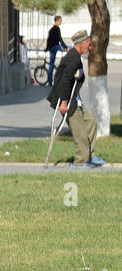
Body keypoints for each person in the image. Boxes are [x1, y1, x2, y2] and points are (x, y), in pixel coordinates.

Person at [47, 29, 107, 169]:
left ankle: (89, 155)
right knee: (80, 131)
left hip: (74, 98)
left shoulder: (76, 56)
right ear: (81, 44)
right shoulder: (72, 58)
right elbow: (65, 80)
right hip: (66, 100)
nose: (90, 47)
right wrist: (63, 102)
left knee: (91, 123)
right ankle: (80, 162)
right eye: (88, 44)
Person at [46, 16, 68, 86]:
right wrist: (66, 47)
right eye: (60, 20)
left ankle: (50, 81)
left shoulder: (51, 29)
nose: (61, 22)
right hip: (56, 46)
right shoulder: (57, 29)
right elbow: (60, 39)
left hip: (51, 48)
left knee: (51, 64)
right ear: (57, 21)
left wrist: (47, 48)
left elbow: (48, 40)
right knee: (70, 48)